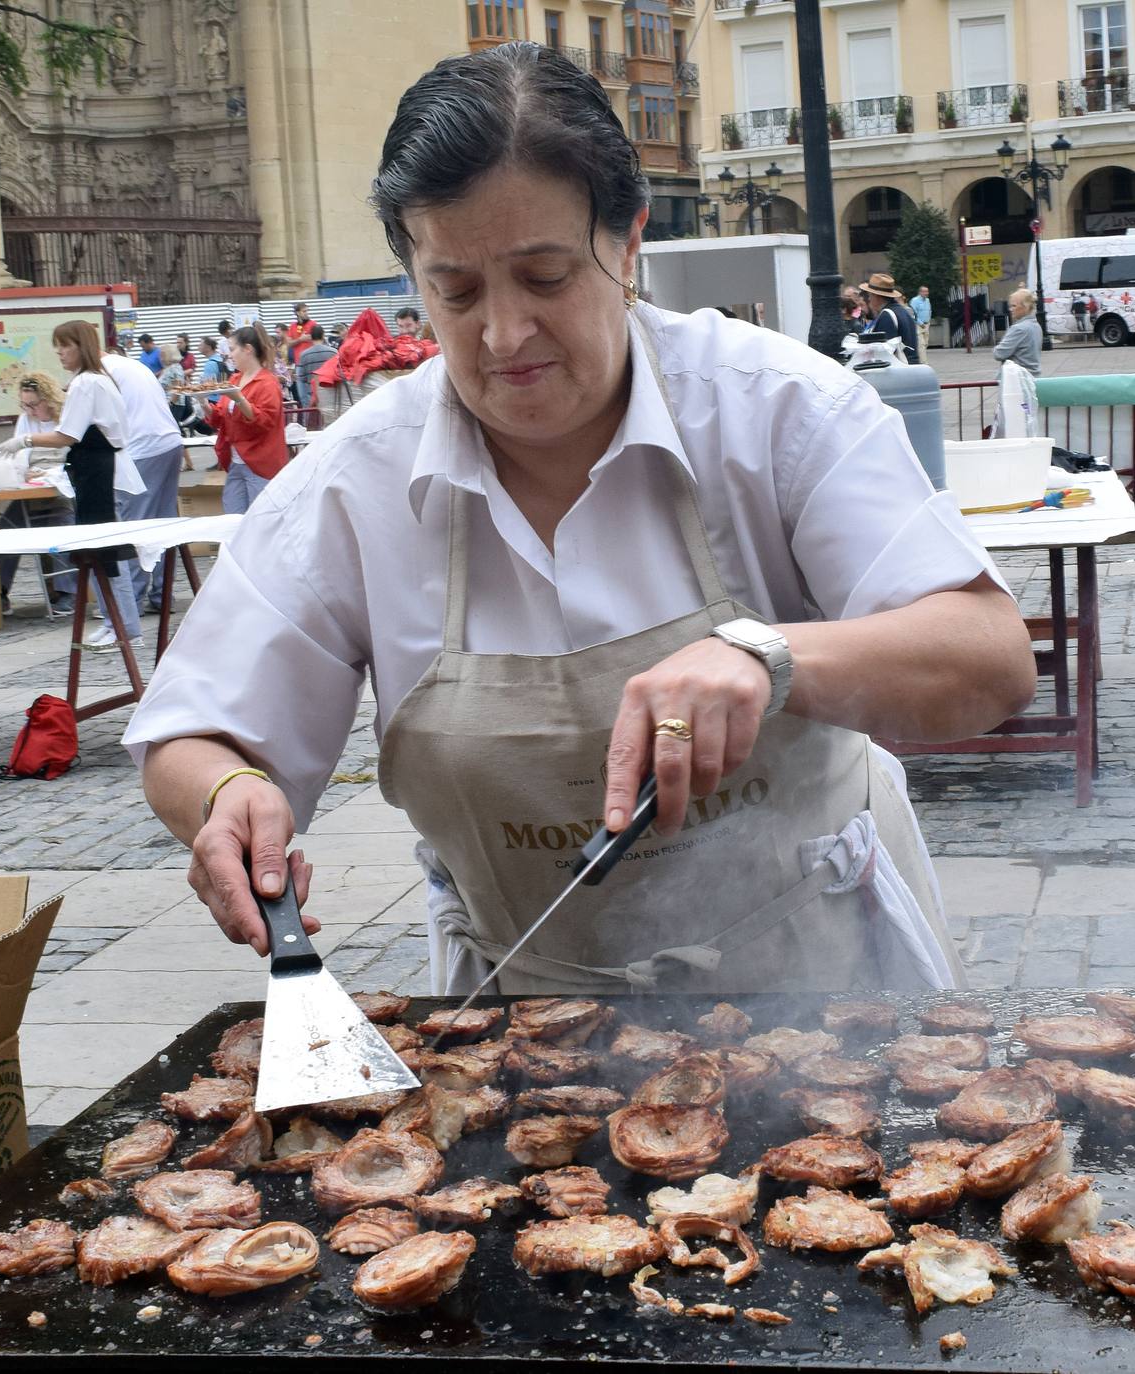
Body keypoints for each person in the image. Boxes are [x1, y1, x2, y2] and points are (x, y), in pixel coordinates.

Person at [123, 42, 1035, 997]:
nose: (503, 334)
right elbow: (195, 734)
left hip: (828, 990)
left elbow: (986, 657)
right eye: (456, 290)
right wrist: (227, 796)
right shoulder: (355, 484)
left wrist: (771, 658)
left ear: (627, 240)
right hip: (523, 1014)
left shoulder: (775, 410)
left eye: (546, 277)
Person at [0, 321, 145, 651]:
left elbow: (68, 434)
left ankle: (122, 624)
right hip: (100, 470)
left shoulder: (86, 383)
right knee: (100, 552)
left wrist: (25, 440)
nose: (60, 352)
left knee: (104, 552)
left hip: (101, 473)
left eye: (66, 345)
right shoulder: (95, 381)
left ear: (82, 346)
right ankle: (117, 622)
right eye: (58, 346)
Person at [100, 346, 186, 612]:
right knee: (163, 524)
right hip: (169, 443)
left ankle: (131, 602)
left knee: (137, 527)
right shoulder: (130, 365)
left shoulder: (101, 372)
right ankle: (162, 595)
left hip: (142, 450)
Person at [0, 373, 76, 617]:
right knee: (6, 527)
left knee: (62, 525)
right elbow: (19, 453)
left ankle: (67, 593)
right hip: (32, 488)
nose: (29, 410)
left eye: (33, 404)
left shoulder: (66, 418)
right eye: (25, 405)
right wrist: (25, 470)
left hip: (62, 486)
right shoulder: (25, 420)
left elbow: (70, 454)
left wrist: (50, 471)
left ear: (49, 399)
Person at [205, 324, 286, 513]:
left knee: (261, 522)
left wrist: (239, 399)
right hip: (236, 462)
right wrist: (203, 405)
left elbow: (265, 421)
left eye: (232, 349)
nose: (229, 355)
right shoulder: (234, 380)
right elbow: (220, 417)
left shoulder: (268, 383)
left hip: (261, 464)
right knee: (233, 520)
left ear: (248, 349)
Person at [859, 273, 918, 364]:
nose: (869, 299)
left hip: (899, 370)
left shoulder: (887, 315)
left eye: (870, 295)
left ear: (877, 296)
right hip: (910, 367)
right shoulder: (902, 311)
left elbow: (884, 354)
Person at [992, 287, 1043, 376]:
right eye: (1010, 306)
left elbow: (999, 354)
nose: (1010, 309)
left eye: (1014, 306)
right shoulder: (1036, 326)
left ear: (1025, 307)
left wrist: (996, 349)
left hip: (1016, 379)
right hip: (1033, 376)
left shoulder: (1019, 328)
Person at [292, 324, 336, 409]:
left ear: (311, 337)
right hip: (331, 395)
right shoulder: (334, 352)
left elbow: (301, 379)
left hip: (312, 397)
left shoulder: (304, 355)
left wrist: (305, 403)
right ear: (323, 335)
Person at [284, 301, 315, 365]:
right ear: (298, 313)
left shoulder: (313, 324)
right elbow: (288, 344)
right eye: (304, 311)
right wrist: (300, 339)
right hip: (299, 362)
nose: (307, 313)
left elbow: (319, 340)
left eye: (307, 311)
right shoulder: (293, 326)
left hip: (311, 361)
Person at [911, 285, 932, 363]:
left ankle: (918, 358)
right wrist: (920, 323)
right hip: (918, 325)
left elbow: (929, 310)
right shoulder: (914, 301)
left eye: (927, 291)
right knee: (921, 344)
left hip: (927, 324)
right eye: (924, 291)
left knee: (925, 343)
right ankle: (924, 362)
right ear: (920, 292)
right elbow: (913, 313)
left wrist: (928, 320)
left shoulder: (927, 300)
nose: (926, 293)